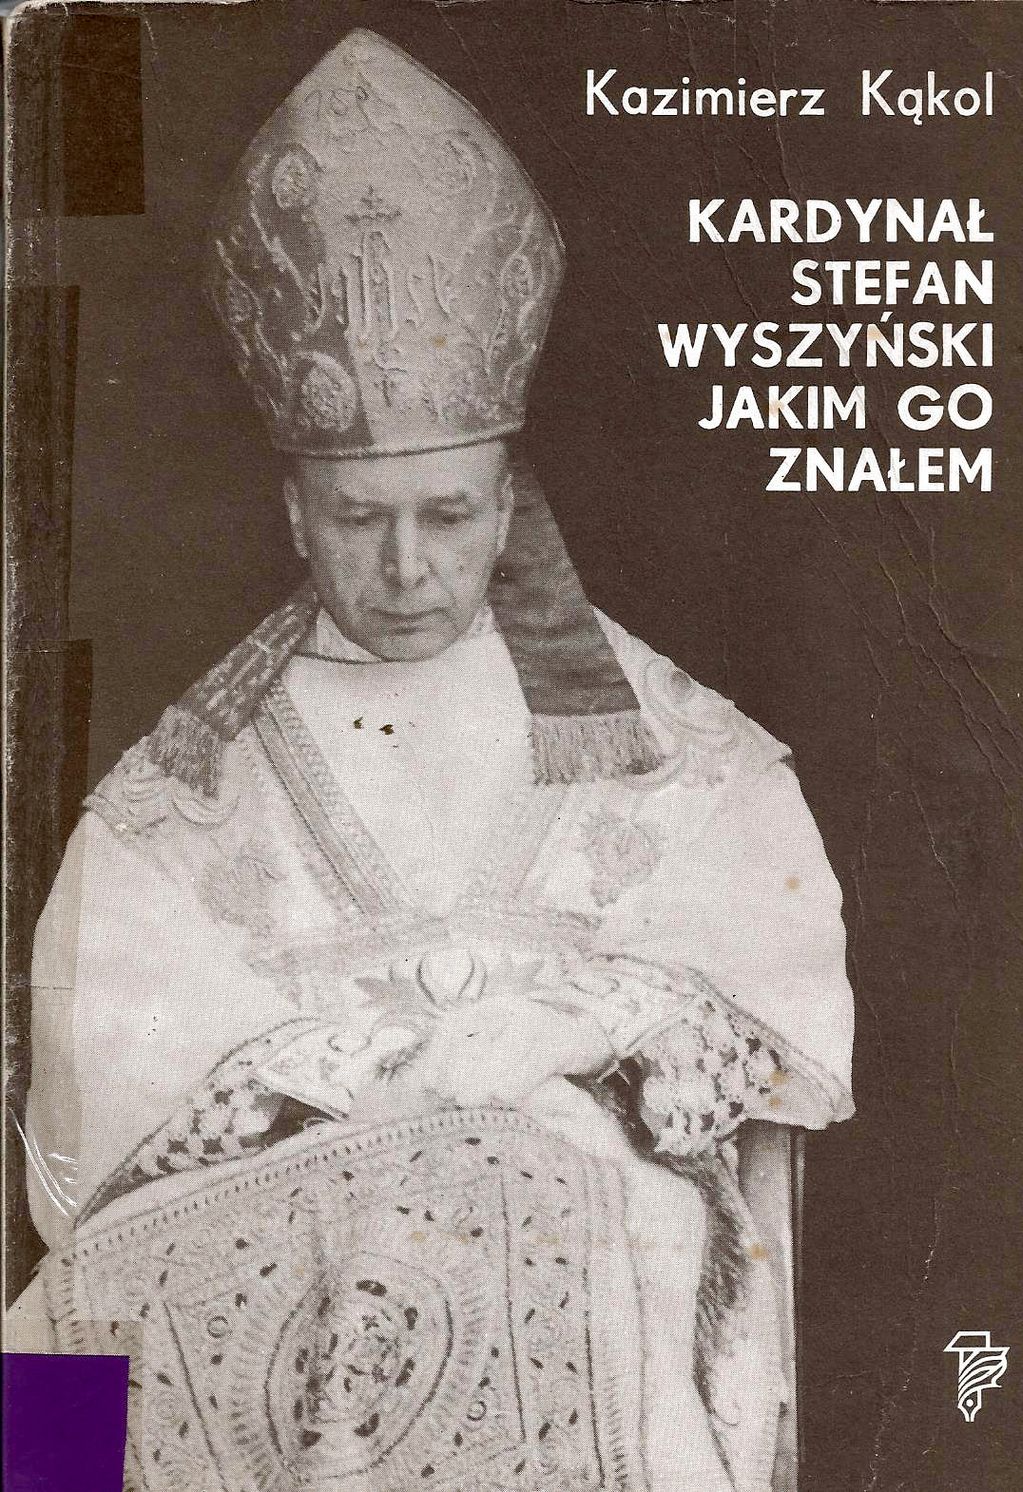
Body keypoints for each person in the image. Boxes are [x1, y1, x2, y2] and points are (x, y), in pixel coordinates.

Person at [14, 30, 854, 1492]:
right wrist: (321, 1084)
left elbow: (775, 1049)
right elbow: (87, 1190)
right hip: (285, 1311)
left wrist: (576, 1042)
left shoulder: (678, 745)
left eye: (450, 517)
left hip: (590, 1278)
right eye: (360, 520)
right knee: (42, 1399)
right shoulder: (173, 804)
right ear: (294, 511)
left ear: (508, 501)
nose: (406, 569)